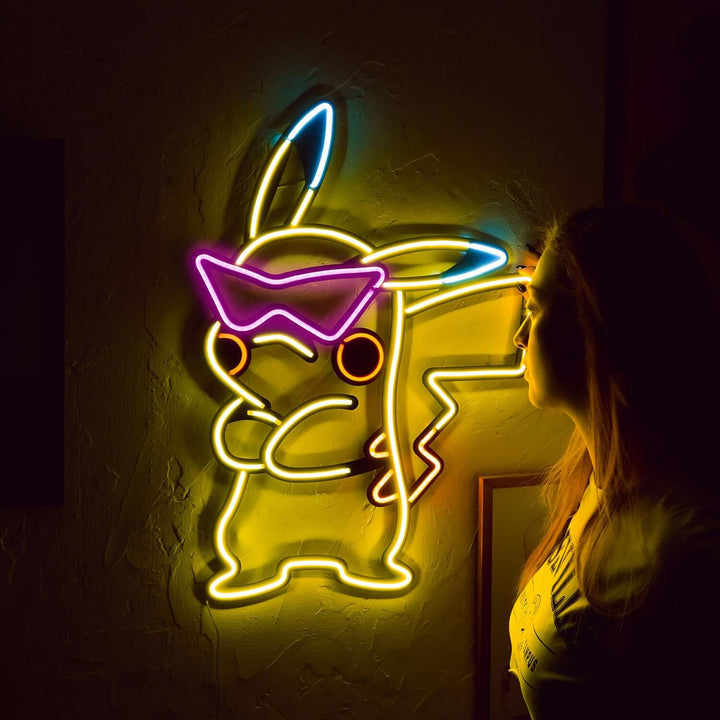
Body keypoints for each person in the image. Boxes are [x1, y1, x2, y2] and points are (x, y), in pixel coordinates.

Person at [507, 204, 720, 720]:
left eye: (535, 308)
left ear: (597, 324)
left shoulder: (685, 549)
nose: (519, 336)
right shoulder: (592, 480)